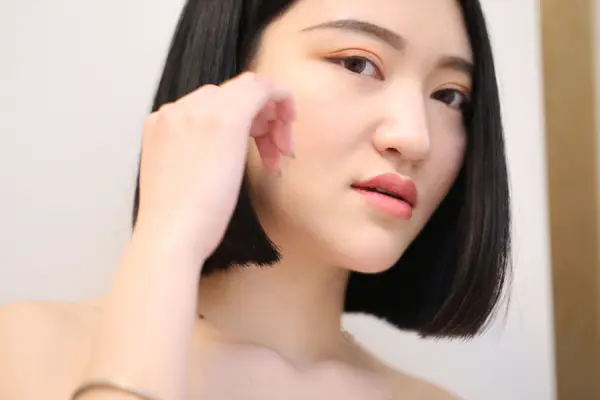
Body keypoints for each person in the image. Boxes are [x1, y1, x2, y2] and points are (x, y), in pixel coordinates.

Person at [0, 0, 511, 399]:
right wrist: (167, 243)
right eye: (357, 63)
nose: (416, 137)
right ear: (230, 69)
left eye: (449, 96)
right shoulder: (26, 351)